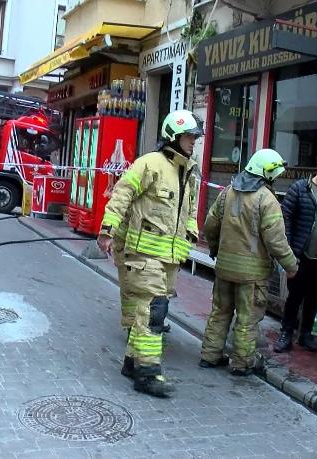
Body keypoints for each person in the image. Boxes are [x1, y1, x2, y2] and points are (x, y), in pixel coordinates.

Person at [96, 110, 202, 398]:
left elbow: (189, 209)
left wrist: (191, 230)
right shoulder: (150, 164)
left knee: (147, 313)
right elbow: (122, 194)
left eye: (195, 137)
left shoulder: (188, 171)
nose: (195, 142)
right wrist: (107, 229)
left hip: (169, 259)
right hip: (143, 255)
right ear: (174, 136)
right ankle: (147, 373)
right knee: (153, 312)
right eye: (190, 136)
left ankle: (131, 363)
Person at [200, 149, 298, 375]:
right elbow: (276, 240)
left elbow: (210, 225)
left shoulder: (227, 192)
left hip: (224, 268)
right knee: (247, 319)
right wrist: (291, 265)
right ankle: (242, 363)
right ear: (266, 172)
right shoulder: (267, 199)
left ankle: (210, 355)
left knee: (220, 312)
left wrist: (216, 249)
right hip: (252, 274)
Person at [275, 151, 317, 353]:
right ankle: (286, 333)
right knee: (295, 296)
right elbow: (285, 217)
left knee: (313, 297)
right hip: (301, 254)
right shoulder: (300, 188)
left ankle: (305, 335)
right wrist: (290, 250)